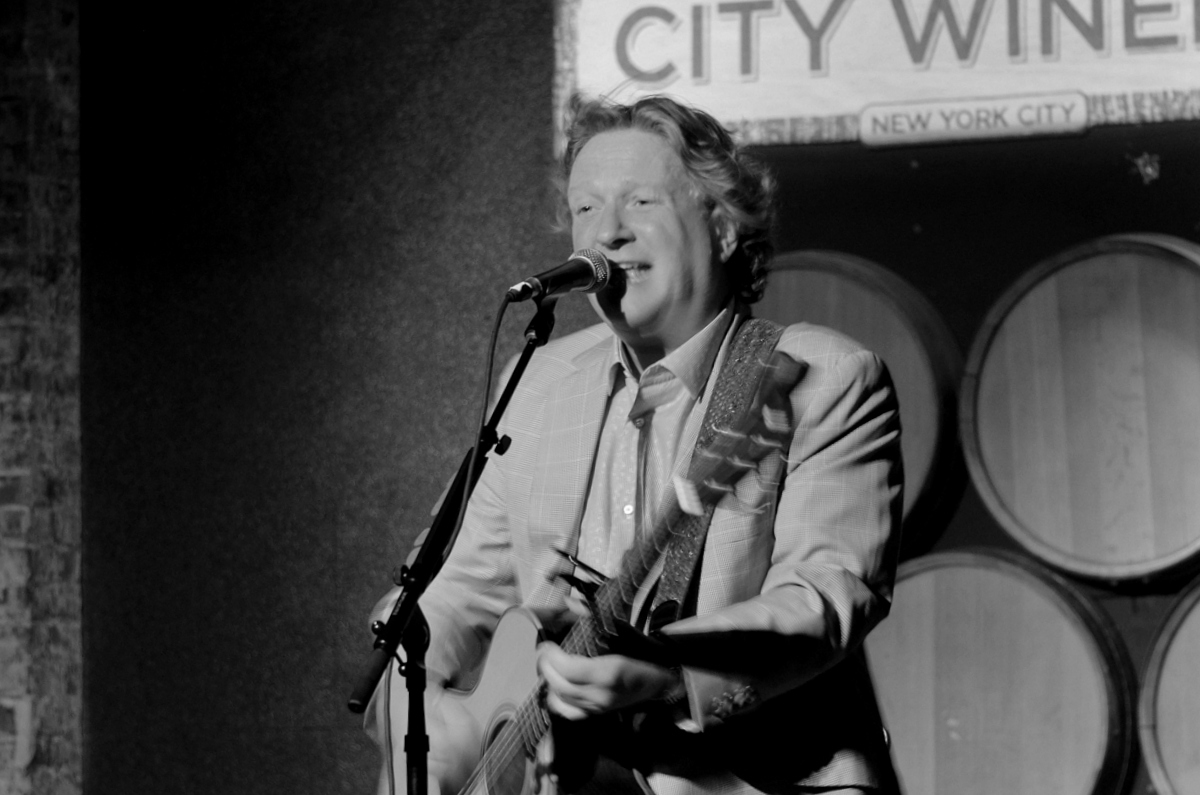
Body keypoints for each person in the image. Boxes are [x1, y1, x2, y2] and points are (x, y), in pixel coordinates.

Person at [365, 94, 904, 795]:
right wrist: (433, 724)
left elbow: (820, 598)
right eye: (586, 209)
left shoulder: (820, 379)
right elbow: (449, 594)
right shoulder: (542, 381)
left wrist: (672, 679)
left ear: (722, 226)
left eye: (640, 202)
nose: (607, 234)